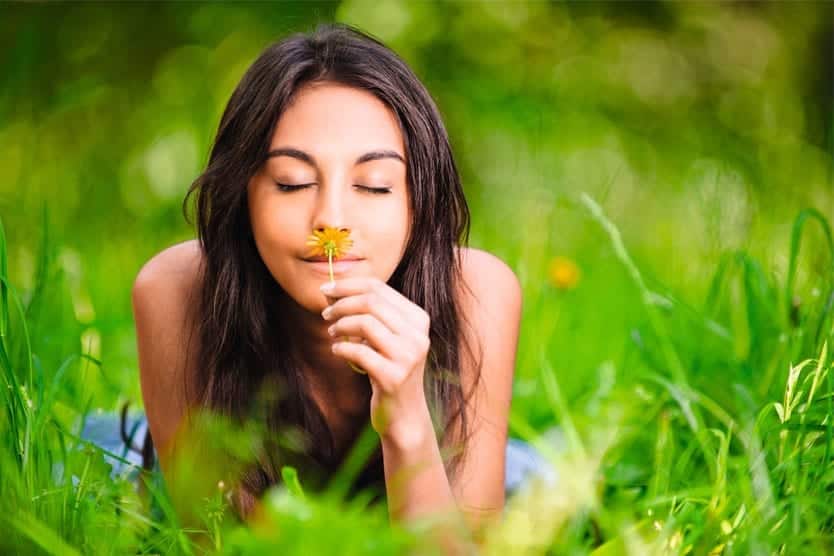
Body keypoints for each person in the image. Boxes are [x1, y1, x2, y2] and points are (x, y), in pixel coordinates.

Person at [126, 22, 553, 547]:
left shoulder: (477, 291)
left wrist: (407, 420)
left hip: (476, 481)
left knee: (545, 481)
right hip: (152, 460)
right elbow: (218, 540)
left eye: (374, 186)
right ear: (244, 195)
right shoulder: (175, 290)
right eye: (292, 183)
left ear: (418, 199)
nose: (333, 219)